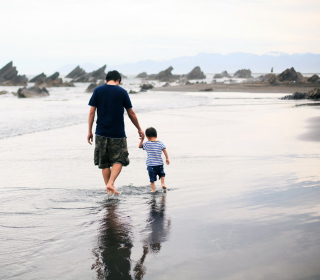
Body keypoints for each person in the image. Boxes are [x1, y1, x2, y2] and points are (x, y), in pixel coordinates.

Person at [87, 70, 144, 194]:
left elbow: (92, 112)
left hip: (100, 132)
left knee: (104, 162)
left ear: (107, 79)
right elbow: (131, 113)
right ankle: (111, 183)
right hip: (117, 133)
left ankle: (109, 191)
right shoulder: (122, 92)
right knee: (120, 159)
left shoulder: (98, 90)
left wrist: (89, 131)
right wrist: (139, 128)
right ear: (118, 80)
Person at [139, 127, 170, 192]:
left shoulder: (147, 144)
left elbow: (140, 146)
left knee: (152, 178)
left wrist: (142, 139)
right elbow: (164, 150)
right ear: (156, 135)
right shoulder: (160, 143)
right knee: (162, 174)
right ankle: (162, 183)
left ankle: (153, 189)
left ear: (147, 136)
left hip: (151, 164)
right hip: (159, 163)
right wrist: (167, 158)